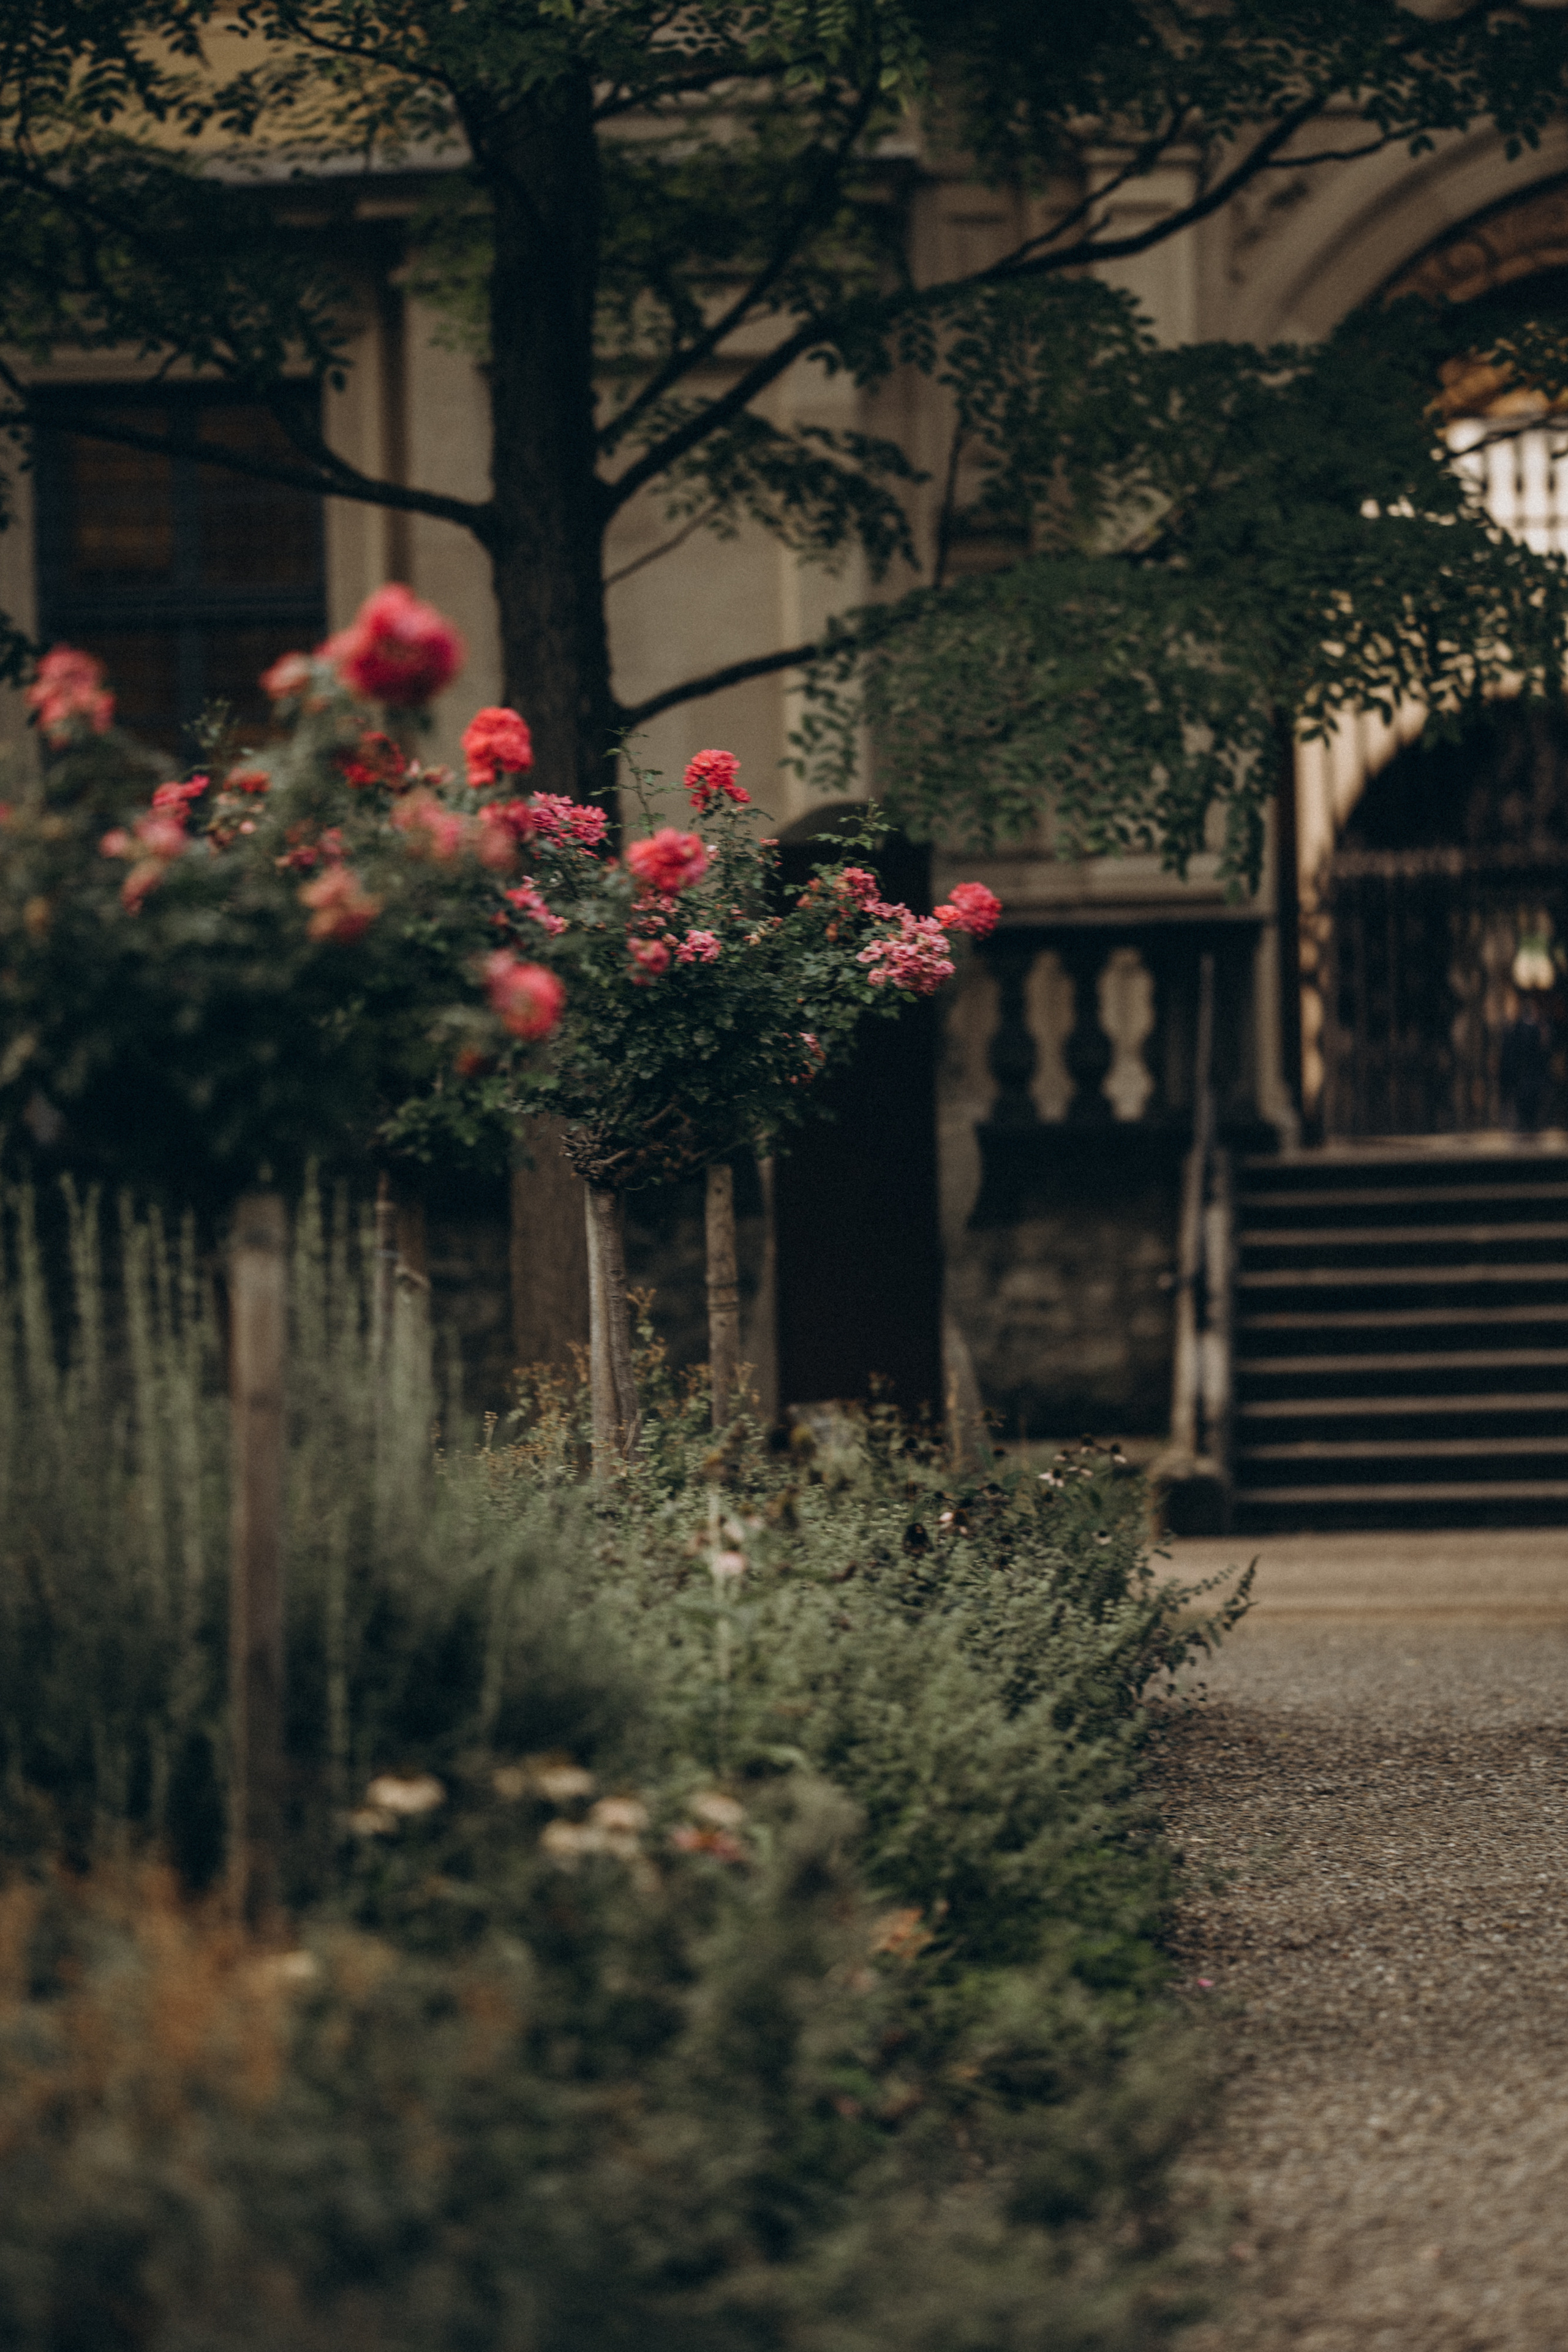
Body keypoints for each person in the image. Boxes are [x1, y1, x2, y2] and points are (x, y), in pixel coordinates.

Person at [1499, 990, 1552, 1131]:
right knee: (1525, 1113)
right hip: (1523, 1077)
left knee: (1529, 1112)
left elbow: (1540, 1051)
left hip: (1529, 1077)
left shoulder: (1532, 1027)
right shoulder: (1518, 1028)